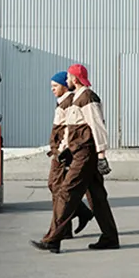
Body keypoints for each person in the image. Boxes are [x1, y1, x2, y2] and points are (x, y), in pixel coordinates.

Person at [31, 64, 119, 253]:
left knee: (66, 192)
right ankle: (110, 237)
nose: (68, 79)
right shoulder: (77, 99)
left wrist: (102, 154)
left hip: (85, 154)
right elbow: (71, 131)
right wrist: (63, 149)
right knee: (97, 197)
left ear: (75, 79)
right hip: (79, 152)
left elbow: (97, 126)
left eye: (69, 77)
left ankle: (53, 239)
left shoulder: (87, 97)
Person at [45, 71, 94, 240]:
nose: (52, 89)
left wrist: (62, 149)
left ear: (66, 85)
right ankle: (76, 217)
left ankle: (62, 229)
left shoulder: (69, 102)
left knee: (59, 188)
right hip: (59, 150)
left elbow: (68, 129)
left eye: (55, 86)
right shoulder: (62, 102)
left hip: (63, 151)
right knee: (55, 186)